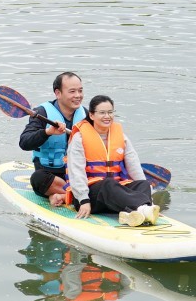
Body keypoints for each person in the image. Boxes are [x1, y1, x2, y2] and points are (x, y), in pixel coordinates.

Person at [66, 94, 158, 227]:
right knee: (108, 184)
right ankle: (143, 209)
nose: (107, 116)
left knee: (142, 184)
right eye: (102, 113)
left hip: (115, 194)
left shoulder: (121, 136)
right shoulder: (79, 138)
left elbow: (134, 167)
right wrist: (83, 200)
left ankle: (133, 213)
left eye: (110, 112)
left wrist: (149, 195)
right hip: (90, 197)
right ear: (91, 115)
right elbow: (76, 171)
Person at [21, 71, 86, 200]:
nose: (78, 95)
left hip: (79, 175)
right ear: (58, 93)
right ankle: (75, 195)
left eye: (80, 91)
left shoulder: (86, 115)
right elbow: (24, 142)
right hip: (52, 176)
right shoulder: (41, 113)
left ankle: (63, 196)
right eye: (72, 91)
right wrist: (47, 132)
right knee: (38, 179)